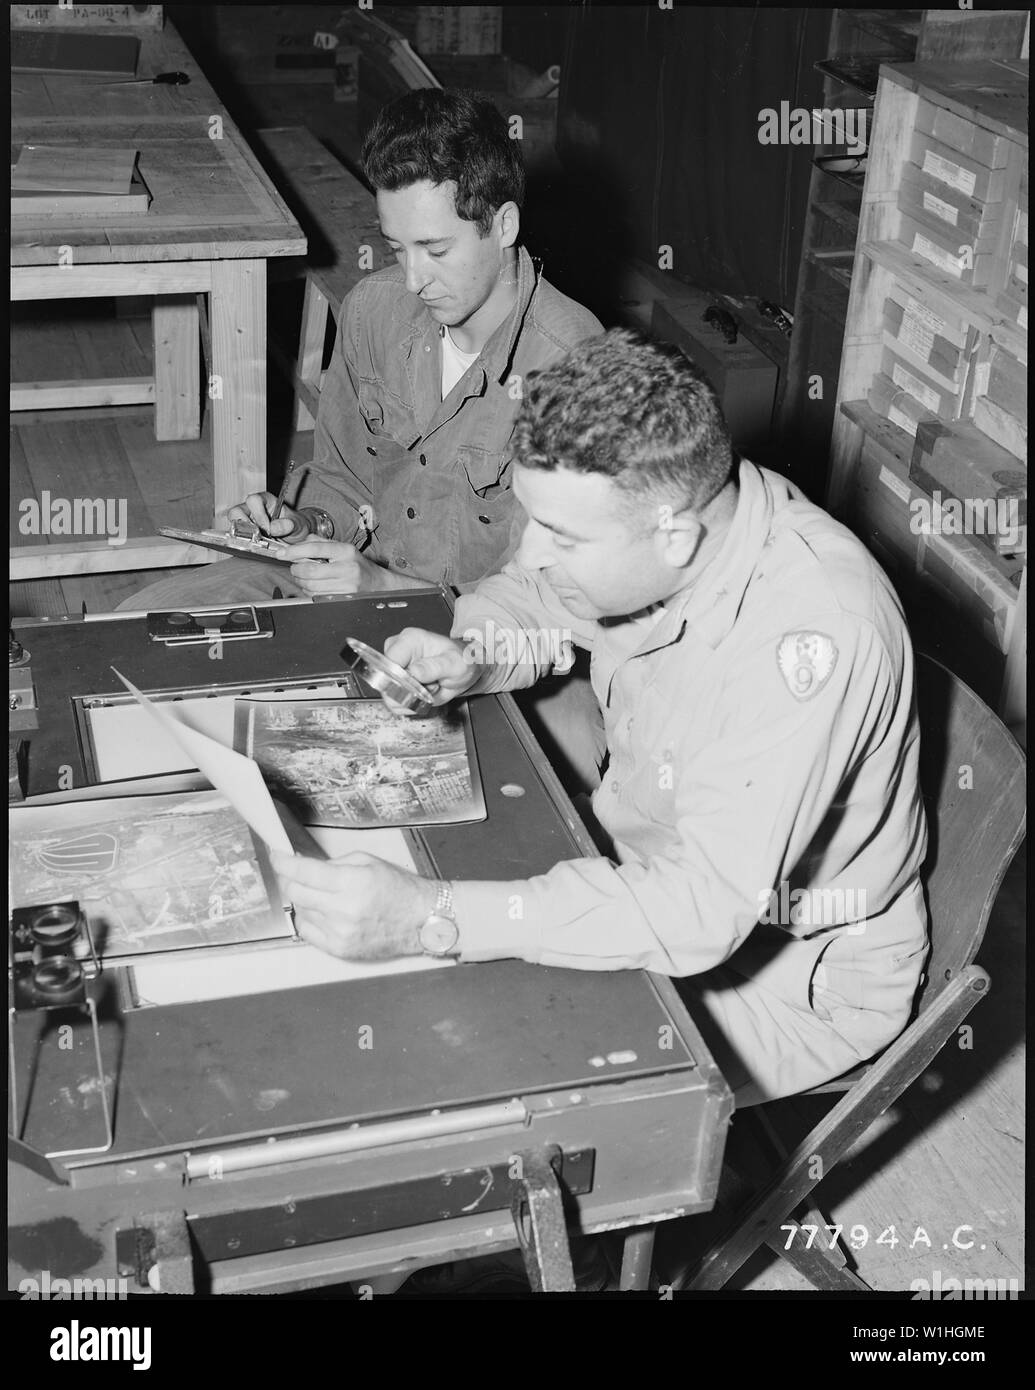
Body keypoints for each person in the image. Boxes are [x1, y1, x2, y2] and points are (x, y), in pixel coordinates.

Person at [272, 328, 929, 1107]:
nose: (537, 551)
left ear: (674, 535)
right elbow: (533, 597)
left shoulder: (807, 636)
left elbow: (696, 910)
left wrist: (431, 918)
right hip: (640, 860)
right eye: (534, 522)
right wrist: (471, 651)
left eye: (563, 537)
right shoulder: (647, 522)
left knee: (448, 1057)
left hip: (788, 973)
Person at [121, 86, 604, 789]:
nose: (413, 279)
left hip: (486, 644)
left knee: (545, 789)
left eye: (435, 249)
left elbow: (555, 600)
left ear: (502, 225)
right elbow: (345, 477)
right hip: (346, 589)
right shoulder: (379, 310)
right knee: (137, 633)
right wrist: (302, 523)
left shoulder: (576, 366)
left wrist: (389, 584)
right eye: (396, 247)